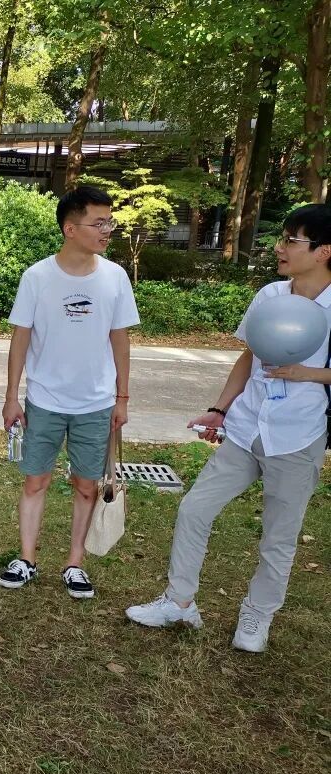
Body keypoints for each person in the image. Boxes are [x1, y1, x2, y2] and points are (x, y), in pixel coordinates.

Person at [127, 203, 331, 653]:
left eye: (291, 240)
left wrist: (309, 374)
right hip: (245, 427)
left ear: (324, 251)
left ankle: (257, 615)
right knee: (194, 509)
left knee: (279, 536)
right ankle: (180, 601)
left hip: (297, 436)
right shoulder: (270, 296)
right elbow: (249, 356)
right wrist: (220, 409)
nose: (279, 248)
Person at [0, 185, 140, 599]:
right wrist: (11, 396)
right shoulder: (37, 277)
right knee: (35, 481)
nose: (107, 230)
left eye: (109, 222)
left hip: (96, 403)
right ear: (70, 228)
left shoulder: (115, 277)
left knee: (86, 485)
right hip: (44, 399)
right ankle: (26, 559)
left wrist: (122, 398)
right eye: (99, 223)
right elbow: (21, 338)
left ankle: (75, 563)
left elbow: (120, 340)